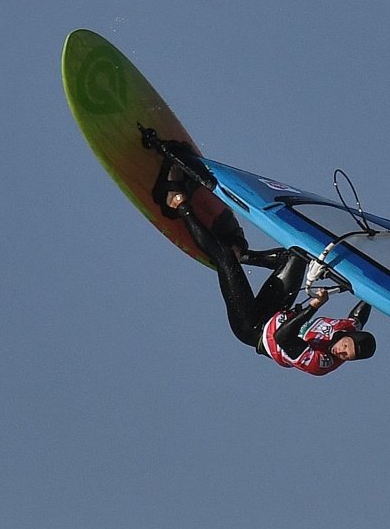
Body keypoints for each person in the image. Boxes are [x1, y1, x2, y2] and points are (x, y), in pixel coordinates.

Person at [152, 154, 377, 377]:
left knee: (225, 261)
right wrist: (372, 284)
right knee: (298, 255)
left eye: (347, 357)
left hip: (253, 328)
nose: (342, 353)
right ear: (351, 337)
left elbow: (282, 338)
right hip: (277, 310)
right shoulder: (349, 328)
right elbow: (362, 310)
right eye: (347, 348)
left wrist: (314, 306)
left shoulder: (322, 363)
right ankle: (243, 254)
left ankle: (178, 202)